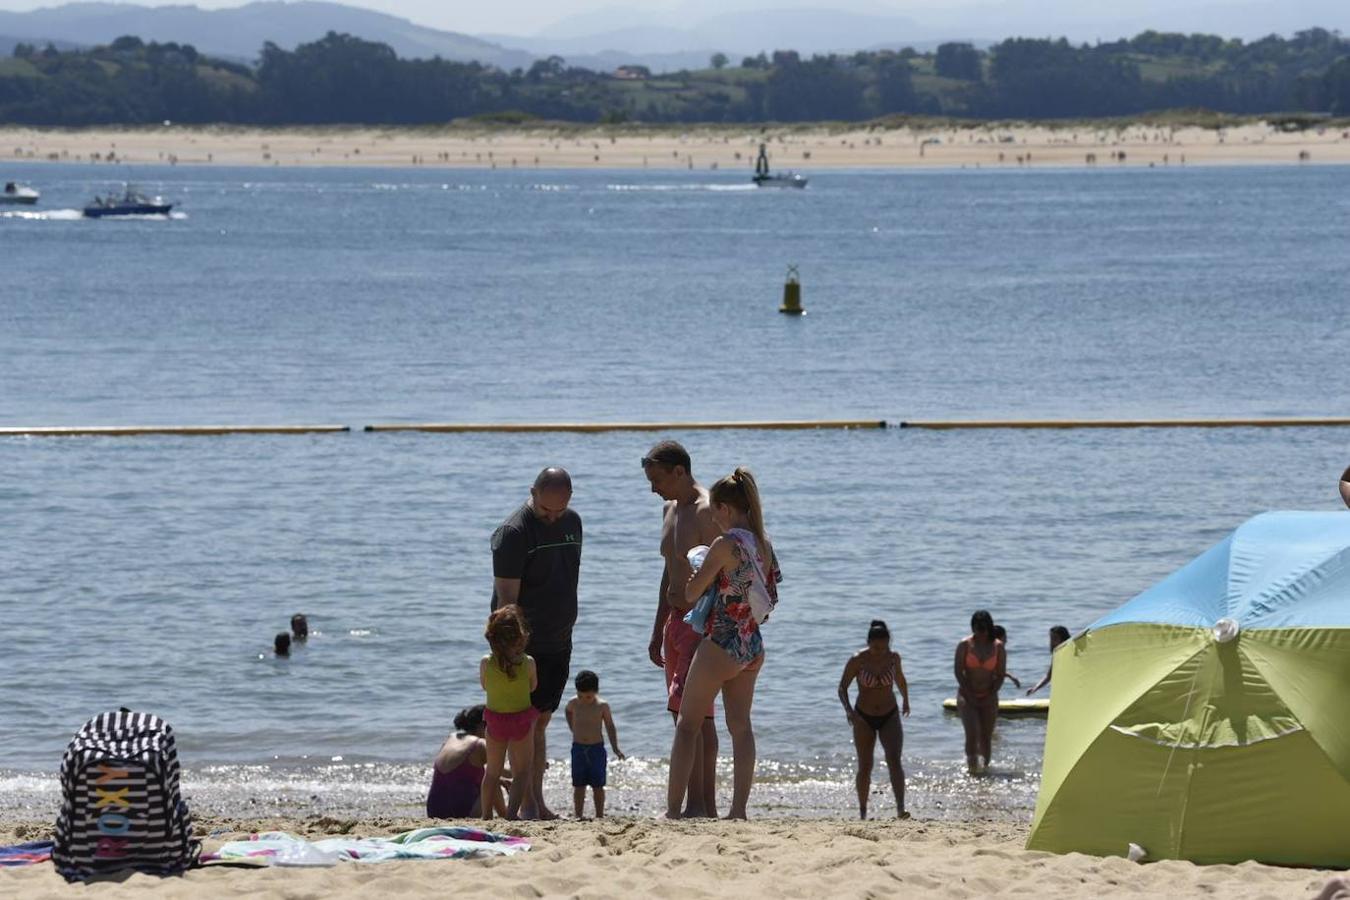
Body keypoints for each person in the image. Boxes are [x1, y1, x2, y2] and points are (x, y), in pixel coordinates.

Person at [666, 467, 780, 820]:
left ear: (726, 509)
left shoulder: (725, 544)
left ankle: (671, 811)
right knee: (741, 728)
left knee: (687, 725)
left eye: (715, 512)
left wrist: (693, 574)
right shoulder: (763, 544)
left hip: (721, 642)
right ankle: (738, 811)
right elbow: (771, 594)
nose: (713, 520)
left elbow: (690, 592)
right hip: (751, 645)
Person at [491, 466, 583, 821]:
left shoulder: (573, 523)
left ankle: (536, 801)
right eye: (545, 510)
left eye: (559, 510)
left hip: (560, 639)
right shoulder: (513, 533)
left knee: (541, 721)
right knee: (522, 725)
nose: (552, 517)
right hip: (523, 646)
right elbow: (506, 602)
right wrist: (511, 655)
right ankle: (527, 804)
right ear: (532, 492)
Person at [643, 440, 722, 817]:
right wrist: (657, 628)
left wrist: (714, 627)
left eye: (657, 479)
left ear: (679, 471)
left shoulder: (708, 510)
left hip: (702, 622)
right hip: (675, 622)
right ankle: (700, 804)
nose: (653, 487)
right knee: (683, 715)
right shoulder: (668, 509)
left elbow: (723, 570)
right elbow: (668, 573)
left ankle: (701, 804)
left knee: (697, 715)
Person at [838, 620, 911, 820]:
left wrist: (906, 699)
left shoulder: (894, 658)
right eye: (875, 647)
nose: (879, 651)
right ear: (868, 642)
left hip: (890, 714)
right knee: (865, 765)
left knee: (894, 760)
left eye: (883, 646)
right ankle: (862, 811)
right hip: (863, 717)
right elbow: (842, 687)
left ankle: (900, 809)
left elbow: (901, 680)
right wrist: (848, 710)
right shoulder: (858, 660)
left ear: (889, 642)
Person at [479, 605, 538, 821]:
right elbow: (532, 687)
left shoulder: (486, 663)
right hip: (520, 719)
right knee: (522, 772)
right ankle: (512, 814)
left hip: (495, 721)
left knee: (492, 772)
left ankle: (486, 815)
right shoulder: (528, 663)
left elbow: (484, 686)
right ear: (521, 637)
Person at [426, 705, 508, 818]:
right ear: (482, 726)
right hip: (462, 811)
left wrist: (500, 779)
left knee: (492, 777)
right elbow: (508, 772)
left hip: (434, 811)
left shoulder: (452, 737)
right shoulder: (479, 744)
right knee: (492, 781)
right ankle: (504, 814)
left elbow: (459, 777)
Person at [564, 670, 625, 819]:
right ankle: (578, 815)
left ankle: (599, 815)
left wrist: (615, 748)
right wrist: (572, 727)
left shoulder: (602, 706)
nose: (584, 699)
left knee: (598, 786)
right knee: (578, 786)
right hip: (578, 748)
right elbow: (567, 711)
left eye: (588, 697)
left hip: (596, 748)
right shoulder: (573, 703)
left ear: (596, 692)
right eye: (580, 696)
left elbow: (610, 726)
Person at [954, 610, 1005, 775]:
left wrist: (991, 694)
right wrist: (969, 695)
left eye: (984, 630)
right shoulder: (965, 645)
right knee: (972, 733)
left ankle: (986, 770)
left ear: (989, 628)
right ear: (973, 628)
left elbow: (1000, 674)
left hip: (989, 695)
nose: (981, 634)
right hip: (967, 695)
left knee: (986, 736)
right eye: (977, 629)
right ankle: (972, 770)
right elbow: (958, 671)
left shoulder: (998, 647)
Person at [1027, 626, 1071, 695]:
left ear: (1063, 639)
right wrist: (1035, 688)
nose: (1052, 642)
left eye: (1055, 638)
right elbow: (1049, 676)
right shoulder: (1057, 654)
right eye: (1051, 638)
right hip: (1061, 689)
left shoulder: (1070, 652)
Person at [992, 626, 1022, 690]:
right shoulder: (992, 652)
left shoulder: (996, 651)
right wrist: (1010, 677)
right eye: (1005, 638)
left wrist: (1011, 677)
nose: (1006, 641)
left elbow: (996, 670)